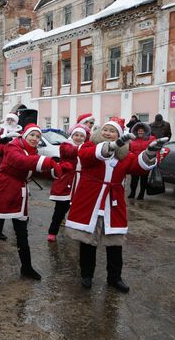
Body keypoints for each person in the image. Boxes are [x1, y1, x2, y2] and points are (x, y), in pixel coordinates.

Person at [65, 118, 167, 293]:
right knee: (88, 241)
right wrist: (112, 146)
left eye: (113, 131)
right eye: (105, 130)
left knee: (115, 243)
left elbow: (139, 167)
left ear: (120, 135)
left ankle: (114, 278)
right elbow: (87, 157)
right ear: (98, 132)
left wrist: (150, 152)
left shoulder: (125, 155)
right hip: (91, 200)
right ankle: (87, 275)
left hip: (113, 202)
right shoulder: (89, 147)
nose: (108, 133)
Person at [0, 124, 62, 280]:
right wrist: (48, 162)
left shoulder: (32, 150)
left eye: (38, 136)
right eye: (32, 135)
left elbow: (35, 166)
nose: (35, 139)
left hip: (19, 193)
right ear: (24, 136)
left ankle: (26, 267)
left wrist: (58, 168)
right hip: (3, 191)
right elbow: (22, 161)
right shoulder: (13, 147)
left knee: (22, 232)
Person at [46, 124, 90, 243]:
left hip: (81, 181)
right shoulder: (66, 145)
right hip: (67, 180)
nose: (78, 138)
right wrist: (85, 148)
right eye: (76, 135)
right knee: (60, 209)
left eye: (82, 136)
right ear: (72, 135)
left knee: (79, 209)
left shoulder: (85, 147)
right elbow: (70, 153)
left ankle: (78, 231)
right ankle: (52, 231)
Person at [128, 122, 155, 199]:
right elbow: (129, 150)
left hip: (145, 163)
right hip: (135, 163)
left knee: (144, 179)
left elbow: (154, 150)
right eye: (139, 130)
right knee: (134, 179)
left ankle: (141, 194)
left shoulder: (151, 139)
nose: (140, 132)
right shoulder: (132, 140)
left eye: (142, 130)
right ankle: (132, 193)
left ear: (145, 131)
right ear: (136, 131)